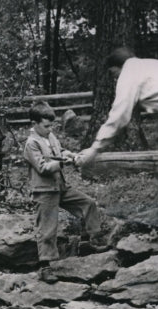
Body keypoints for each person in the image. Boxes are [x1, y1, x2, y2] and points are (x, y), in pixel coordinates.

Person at [74, 46, 158, 241]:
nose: (115, 79)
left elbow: (119, 115)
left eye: (113, 74)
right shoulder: (150, 65)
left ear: (118, 67)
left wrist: (95, 148)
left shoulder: (128, 74)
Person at [23, 102, 104, 280]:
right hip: (44, 191)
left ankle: (91, 241)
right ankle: (45, 267)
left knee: (88, 203)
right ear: (34, 124)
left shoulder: (50, 136)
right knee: (47, 229)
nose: (50, 129)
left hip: (60, 186)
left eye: (51, 125)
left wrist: (72, 155)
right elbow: (42, 167)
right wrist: (61, 163)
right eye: (46, 126)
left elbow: (60, 150)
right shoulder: (31, 143)